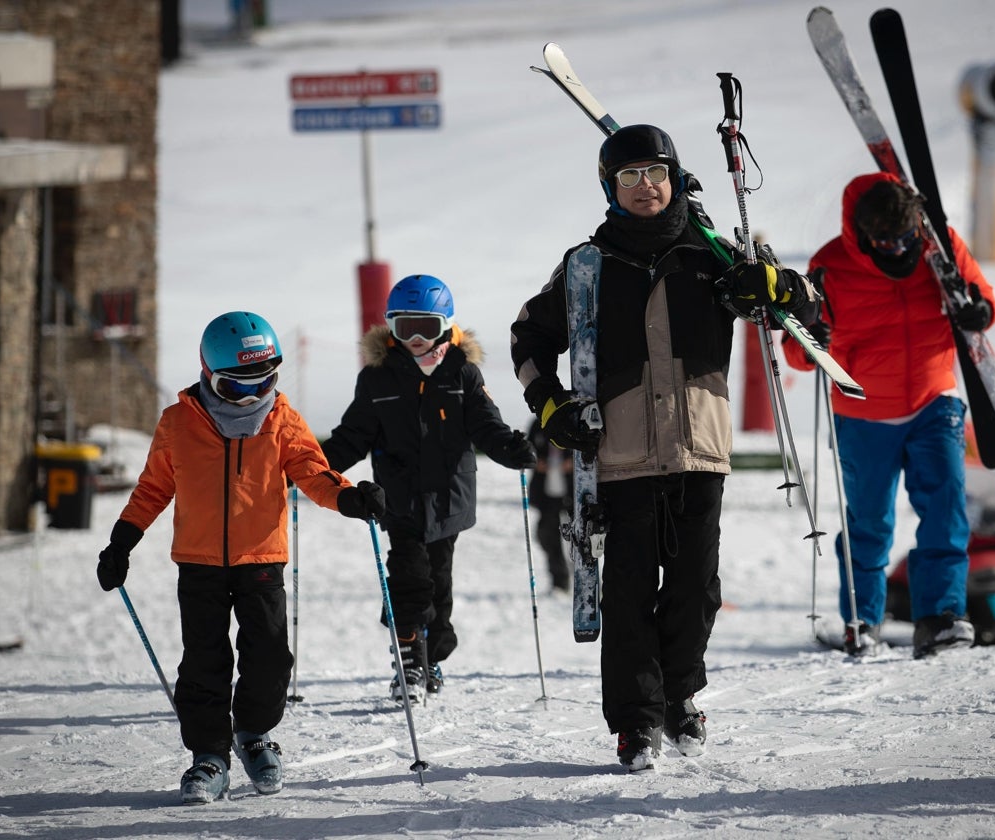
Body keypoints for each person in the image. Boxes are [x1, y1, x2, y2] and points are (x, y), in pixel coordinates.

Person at [510, 124, 818, 771]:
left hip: (699, 448)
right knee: (626, 594)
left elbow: (806, 310)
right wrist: (551, 406)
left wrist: (779, 288)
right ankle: (637, 722)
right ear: (609, 188)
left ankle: (680, 697)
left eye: (655, 173)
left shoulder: (714, 253)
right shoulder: (584, 267)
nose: (644, 186)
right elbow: (527, 341)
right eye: (629, 177)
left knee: (694, 590)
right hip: (617, 459)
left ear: (675, 179)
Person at [95, 311, 386, 805]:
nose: (253, 398)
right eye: (236, 388)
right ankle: (209, 756)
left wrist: (350, 498)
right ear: (209, 374)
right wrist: (122, 540)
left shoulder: (282, 419)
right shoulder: (178, 423)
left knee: (271, 657)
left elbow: (314, 473)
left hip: (262, 558)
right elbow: (152, 489)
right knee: (205, 662)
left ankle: (253, 734)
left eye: (264, 383)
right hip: (200, 563)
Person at [782, 172, 995, 659]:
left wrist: (978, 313)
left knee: (945, 509)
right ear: (861, 233)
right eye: (885, 241)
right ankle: (864, 620)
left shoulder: (937, 248)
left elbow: (983, 297)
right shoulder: (829, 266)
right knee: (871, 523)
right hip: (863, 412)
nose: (898, 251)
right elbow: (796, 353)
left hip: (933, 398)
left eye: (905, 239)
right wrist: (814, 338)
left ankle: (941, 617)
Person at [322, 274, 536, 705]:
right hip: (399, 500)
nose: (416, 338)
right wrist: (314, 465)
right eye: (404, 328)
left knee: (439, 587)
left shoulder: (463, 373)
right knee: (409, 580)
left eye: (425, 326)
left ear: (445, 326)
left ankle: (432, 655)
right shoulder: (377, 378)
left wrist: (509, 448)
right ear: (391, 328)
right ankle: (409, 662)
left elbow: (485, 425)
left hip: (448, 500)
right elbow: (352, 435)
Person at [526, 417, 572, 593]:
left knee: (582, 540)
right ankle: (559, 581)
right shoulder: (537, 424)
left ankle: (589, 582)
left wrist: (575, 462)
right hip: (546, 493)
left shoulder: (572, 419)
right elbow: (528, 448)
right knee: (547, 535)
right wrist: (536, 462)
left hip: (573, 492)